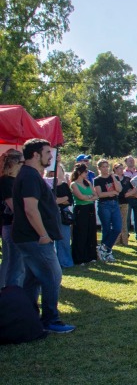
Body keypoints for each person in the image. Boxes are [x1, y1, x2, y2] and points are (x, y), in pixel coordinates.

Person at [12, 139, 75, 333]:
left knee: (33, 279)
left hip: (30, 238)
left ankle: (29, 317)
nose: (51, 157)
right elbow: (30, 209)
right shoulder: (30, 176)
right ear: (35, 155)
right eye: (48, 153)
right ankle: (50, 320)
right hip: (35, 238)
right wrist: (43, 234)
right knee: (52, 276)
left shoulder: (30, 175)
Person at [0, 149, 24, 288]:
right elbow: (12, 205)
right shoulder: (6, 181)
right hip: (11, 225)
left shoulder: (12, 180)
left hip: (10, 225)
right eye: (21, 162)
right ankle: (12, 294)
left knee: (10, 261)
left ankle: (6, 291)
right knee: (15, 264)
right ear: (14, 163)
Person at [93, 159, 123, 262]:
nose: (105, 169)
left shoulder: (113, 177)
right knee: (106, 229)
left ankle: (104, 248)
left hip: (115, 204)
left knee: (118, 228)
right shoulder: (97, 180)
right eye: (103, 167)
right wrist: (111, 193)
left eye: (107, 166)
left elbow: (119, 190)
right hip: (104, 205)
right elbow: (99, 194)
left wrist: (114, 178)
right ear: (99, 168)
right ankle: (107, 252)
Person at [70, 163, 98, 265]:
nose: (87, 173)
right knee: (81, 232)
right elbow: (80, 197)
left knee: (90, 231)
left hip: (90, 208)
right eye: (85, 171)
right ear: (79, 172)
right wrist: (89, 197)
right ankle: (79, 257)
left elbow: (96, 195)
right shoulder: (73, 184)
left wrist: (88, 197)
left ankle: (90, 256)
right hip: (80, 209)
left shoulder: (88, 183)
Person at [50, 164, 74, 269]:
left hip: (64, 214)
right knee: (53, 240)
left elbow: (70, 200)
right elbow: (51, 201)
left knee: (64, 238)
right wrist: (62, 199)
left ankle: (66, 262)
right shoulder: (48, 185)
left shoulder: (64, 185)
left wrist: (59, 200)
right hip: (52, 214)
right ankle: (55, 263)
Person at [123, 155, 137, 241]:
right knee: (127, 218)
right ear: (126, 162)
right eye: (130, 160)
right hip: (128, 198)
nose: (132, 162)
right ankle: (126, 234)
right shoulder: (123, 173)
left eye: (133, 160)